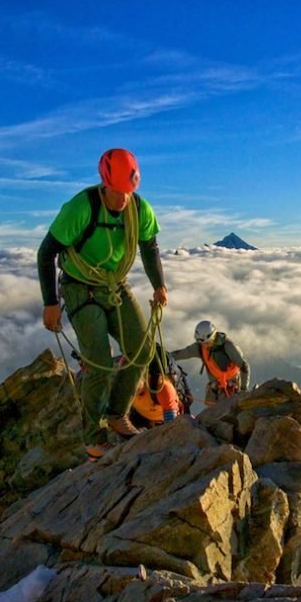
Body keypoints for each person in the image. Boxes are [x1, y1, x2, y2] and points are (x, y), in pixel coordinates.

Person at [37, 148, 167, 460]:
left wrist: (158, 285)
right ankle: (93, 438)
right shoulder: (81, 207)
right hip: (79, 287)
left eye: (128, 191)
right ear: (105, 183)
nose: (123, 199)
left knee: (143, 350)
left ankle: (116, 413)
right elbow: (46, 252)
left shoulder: (139, 209)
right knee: (99, 362)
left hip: (114, 284)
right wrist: (51, 302)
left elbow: (149, 246)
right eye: (118, 191)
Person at [171, 320, 250, 405]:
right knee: (212, 411)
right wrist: (165, 356)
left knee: (230, 409)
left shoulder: (228, 346)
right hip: (216, 385)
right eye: (201, 342)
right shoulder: (200, 347)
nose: (204, 345)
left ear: (212, 337)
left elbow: (244, 366)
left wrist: (243, 390)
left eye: (206, 343)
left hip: (232, 385)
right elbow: (183, 353)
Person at [129, 347, 181, 428]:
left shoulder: (162, 387)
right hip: (143, 418)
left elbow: (172, 424)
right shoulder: (123, 386)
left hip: (161, 421)